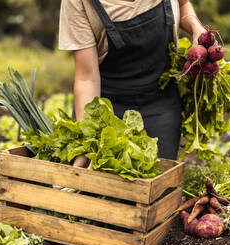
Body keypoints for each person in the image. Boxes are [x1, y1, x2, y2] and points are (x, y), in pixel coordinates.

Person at [59, 0, 206, 167]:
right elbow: (87, 78)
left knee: (156, 184)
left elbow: (182, 4)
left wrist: (196, 27)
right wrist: (88, 140)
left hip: (161, 106)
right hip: (107, 112)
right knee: (97, 187)